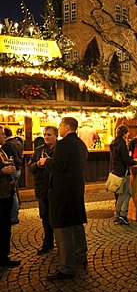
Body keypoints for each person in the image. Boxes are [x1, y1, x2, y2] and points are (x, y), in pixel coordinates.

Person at [38, 117, 88, 280]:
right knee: (76, 223)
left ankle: (67, 267)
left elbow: (58, 167)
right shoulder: (80, 144)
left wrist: (47, 161)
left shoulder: (64, 144)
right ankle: (81, 255)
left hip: (63, 192)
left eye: (60, 126)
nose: (59, 128)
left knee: (63, 227)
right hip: (76, 190)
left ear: (67, 127)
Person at [28, 126, 58, 255]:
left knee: (56, 217)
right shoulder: (38, 151)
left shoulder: (60, 150)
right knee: (45, 216)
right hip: (42, 188)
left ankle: (61, 244)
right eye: (45, 135)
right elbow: (30, 168)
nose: (46, 137)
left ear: (56, 136)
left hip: (56, 189)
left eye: (49, 135)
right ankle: (48, 242)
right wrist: (37, 164)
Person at [111, 125, 137, 225]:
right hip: (123, 172)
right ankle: (118, 216)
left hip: (116, 171)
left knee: (128, 192)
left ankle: (122, 214)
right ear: (124, 134)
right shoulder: (122, 144)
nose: (128, 134)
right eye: (127, 132)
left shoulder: (113, 143)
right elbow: (127, 160)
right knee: (123, 194)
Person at [0, 126, 19, 268]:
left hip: (6, 193)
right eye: (1, 134)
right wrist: (2, 171)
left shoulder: (1, 150)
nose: (3, 136)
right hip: (1, 195)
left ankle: (4, 257)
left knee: (5, 227)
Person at [2, 127, 23, 225]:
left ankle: (13, 216)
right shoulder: (18, 142)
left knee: (11, 193)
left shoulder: (7, 145)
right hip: (18, 168)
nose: (3, 136)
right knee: (13, 192)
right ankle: (14, 214)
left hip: (11, 171)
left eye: (3, 134)